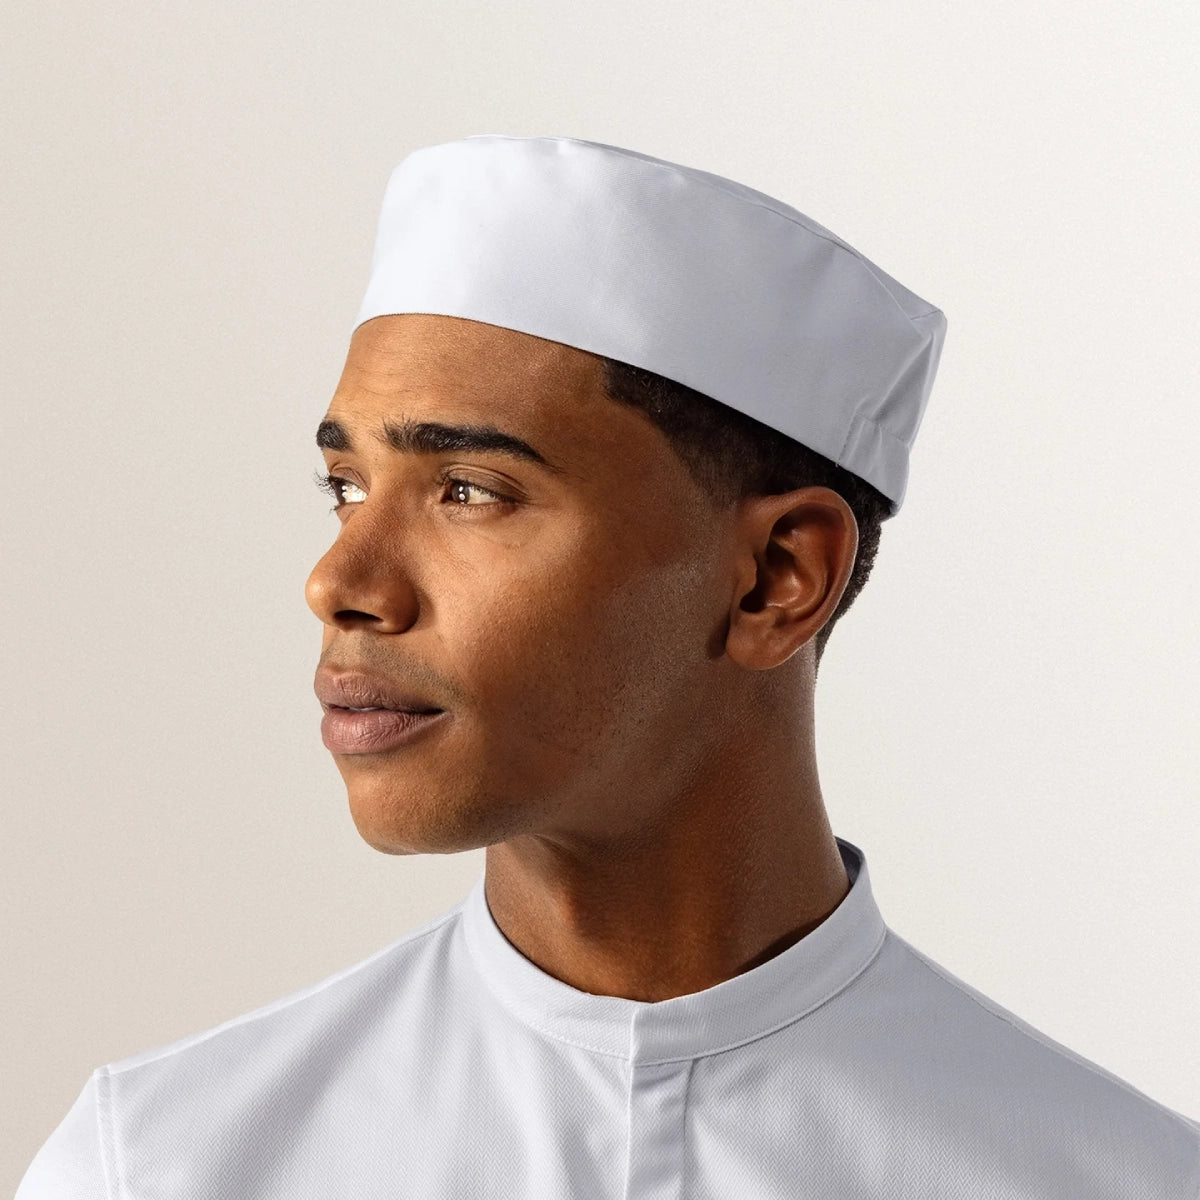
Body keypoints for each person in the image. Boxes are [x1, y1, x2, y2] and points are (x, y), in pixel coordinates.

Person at [17, 135, 1199, 1198]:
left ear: (777, 576)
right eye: (347, 487)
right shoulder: (165, 1164)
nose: (342, 582)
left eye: (469, 492)